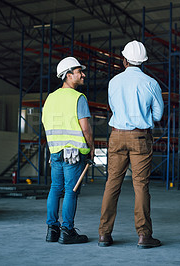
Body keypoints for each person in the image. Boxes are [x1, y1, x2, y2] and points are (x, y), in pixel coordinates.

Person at [98, 40, 164, 249]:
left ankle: (104, 234)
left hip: (116, 136)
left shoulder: (114, 82)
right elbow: (159, 114)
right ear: (143, 62)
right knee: (141, 186)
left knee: (112, 184)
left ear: (124, 60)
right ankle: (144, 236)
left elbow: (113, 107)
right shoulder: (151, 83)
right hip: (140, 137)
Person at [42, 56, 94, 244]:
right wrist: (91, 150)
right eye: (80, 72)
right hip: (73, 153)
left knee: (55, 189)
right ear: (68, 75)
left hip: (55, 152)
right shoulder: (78, 98)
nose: (83, 75)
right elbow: (86, 129)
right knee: (71, 191)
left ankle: (52, 230)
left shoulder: (50, 98)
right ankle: (67, 231)